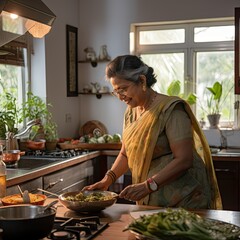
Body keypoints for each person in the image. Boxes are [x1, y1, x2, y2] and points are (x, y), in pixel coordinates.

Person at [83, 55, 222, 210]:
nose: (120, 97)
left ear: (142, 81)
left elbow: (184, 159)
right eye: (116, 91)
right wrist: (107, 180)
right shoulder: (130, 113)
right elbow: (125, 154)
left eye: (123, 89)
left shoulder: (170, 109)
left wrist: (147, 186)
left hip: (185, 199)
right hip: (152, 200)